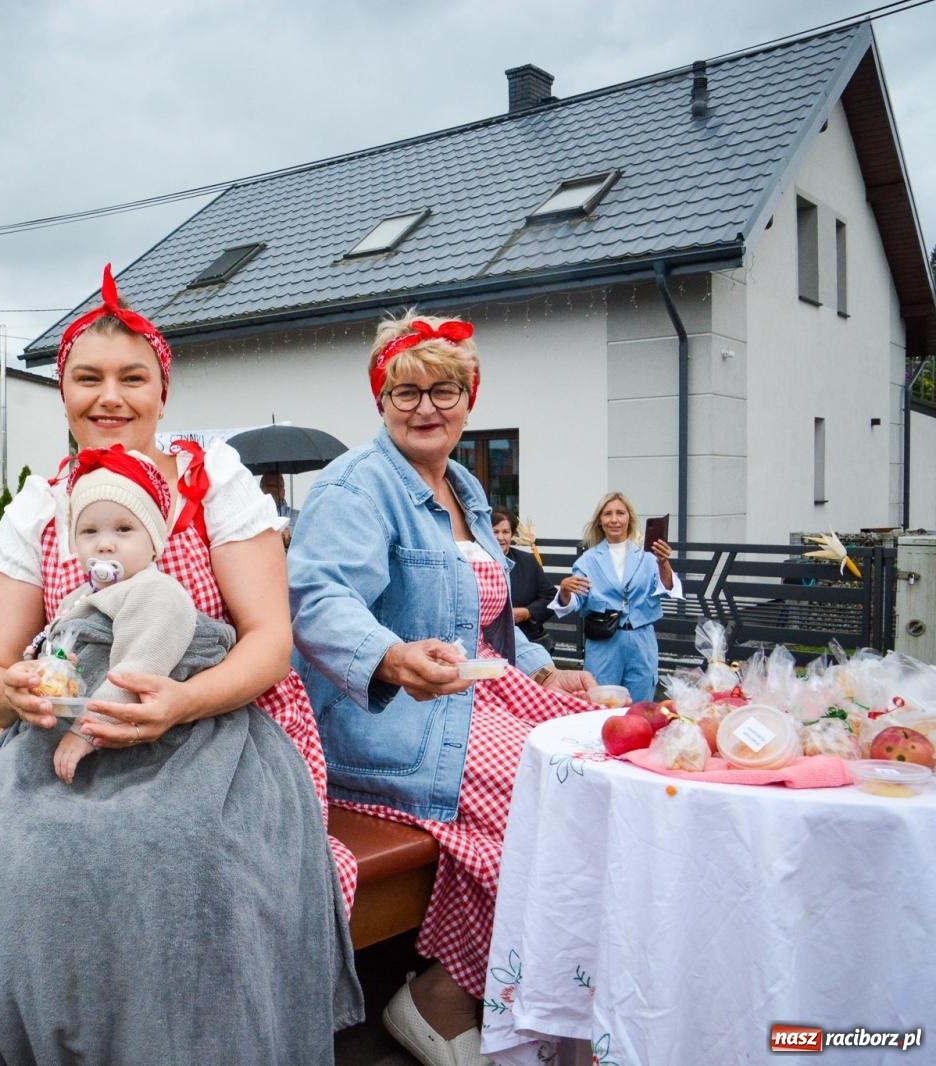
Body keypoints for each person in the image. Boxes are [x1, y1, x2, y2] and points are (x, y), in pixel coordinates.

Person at [0, 264, 361, 1065]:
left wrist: (177, 702)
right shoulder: (37, 508)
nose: (111, 397)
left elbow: (269, 644)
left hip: (220, 730)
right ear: (61, 391)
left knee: (162, 863)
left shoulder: (216, 483)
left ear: (162, 392)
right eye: (87, 378)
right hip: (64, 739)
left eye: (132, 378)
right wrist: (25, 690)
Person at [288, 313, 596, 1066]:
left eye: (445, 389)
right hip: (387, 722)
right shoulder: (355, 487)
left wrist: (546, 668)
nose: (426, 406)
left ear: (470, 397)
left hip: (472, 704)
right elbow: (317, 603)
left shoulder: (462, 486)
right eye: (407, 390)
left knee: (598, 765)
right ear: (381, 398)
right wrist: (391, 657)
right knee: (553, 787)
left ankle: (478, 996)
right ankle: (448, 997)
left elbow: (486, 626)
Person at [39, 445, 202, 784]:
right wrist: (48, 666)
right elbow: (55, 638)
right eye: (89, 532)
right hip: (80, 718)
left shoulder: (157, 591)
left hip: (128, 732)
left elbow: (138, 667)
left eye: (123, 529)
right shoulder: (80, 596)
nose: (105, 544)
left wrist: (87, 729)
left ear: (153, 540)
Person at [551, 491, 681, 702]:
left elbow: (668, 588)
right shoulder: (588, 560)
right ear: (600, 521)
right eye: (607, 514)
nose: (614, 519)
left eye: (620, 513)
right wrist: (565, 590)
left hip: (642, 640)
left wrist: (664, 562)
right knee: (600, 705)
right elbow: (576, 601)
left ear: (629, 518)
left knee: (641, 708)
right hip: (604, 643)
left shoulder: (648, 556)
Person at [492, 507, 557, 651]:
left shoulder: (527, 561)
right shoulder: (477, 562)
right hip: (491, 643)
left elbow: (550, 597)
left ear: (512, 534)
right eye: (495, 532)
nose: (500, 537)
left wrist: (527, 612)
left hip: (529, 640)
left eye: (505, 532)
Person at [260, 470, 298, 546]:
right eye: (270, 486)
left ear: (284, 492)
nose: (274, 489)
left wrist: (291, 540)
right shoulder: (251, 517)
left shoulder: (299, 517)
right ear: (260, 489)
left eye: (278, 486)